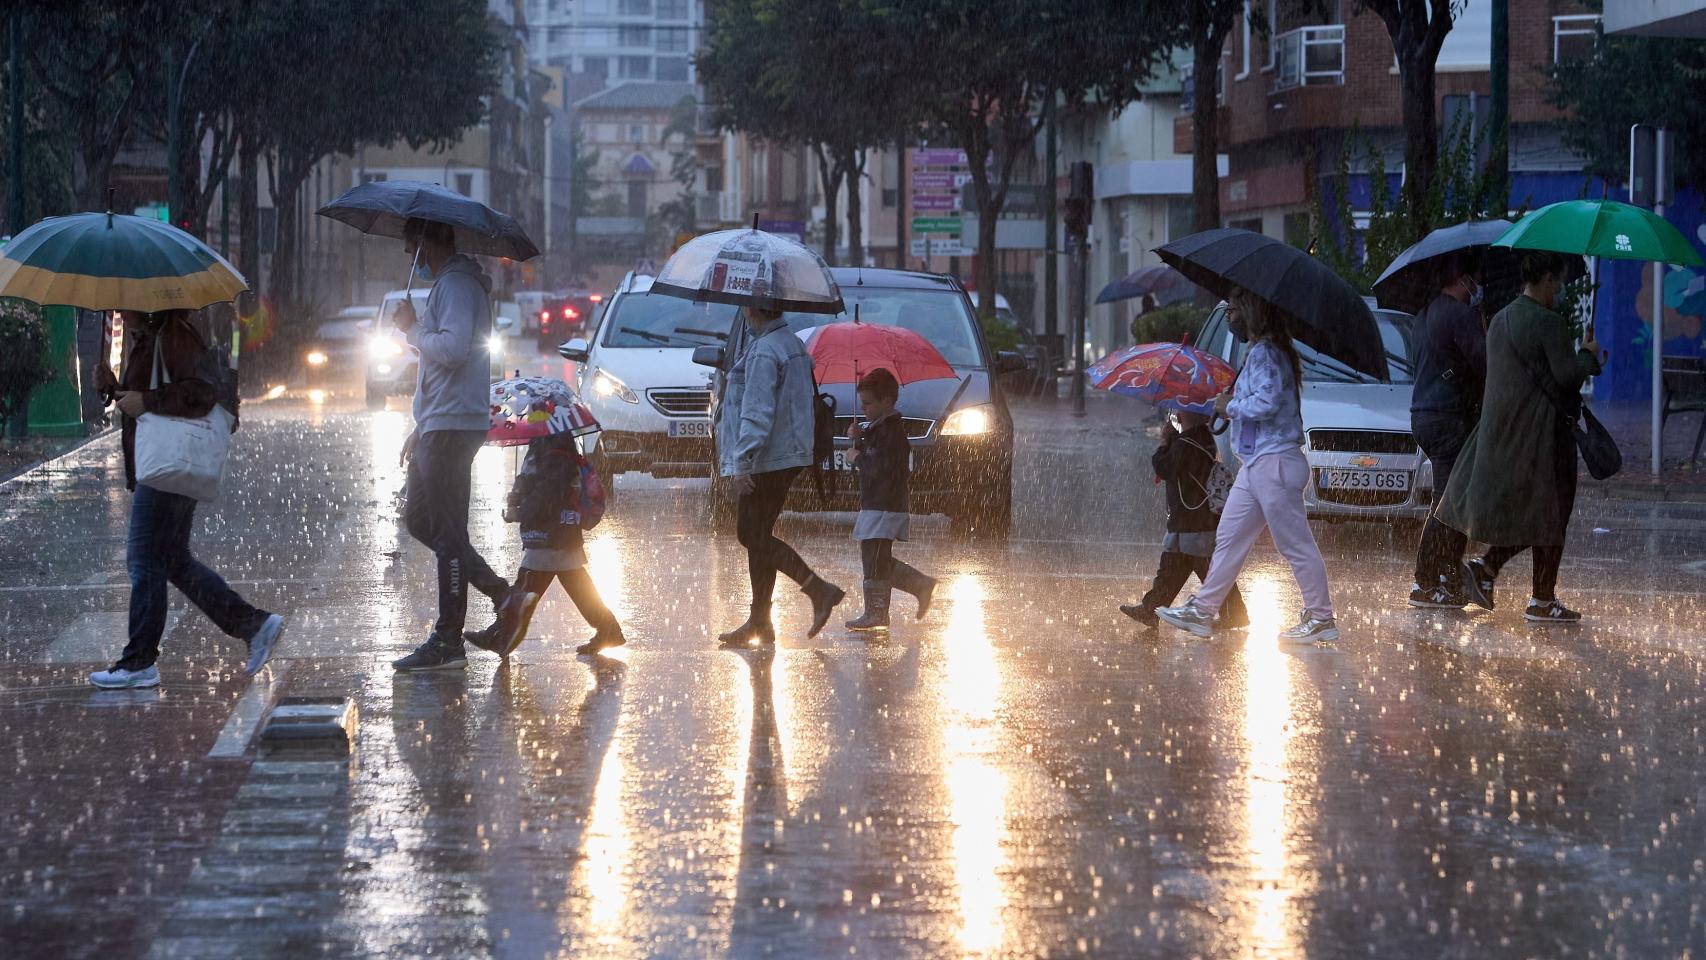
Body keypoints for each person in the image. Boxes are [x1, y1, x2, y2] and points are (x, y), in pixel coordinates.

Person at [88, 310, 284, 689]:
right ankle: (253, 625)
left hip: (168, 465)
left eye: (125, 302)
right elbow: (141, 399)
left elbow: (201, 391)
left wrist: (147, 399)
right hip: (165, 464)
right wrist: (112, 388)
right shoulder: (148, 338)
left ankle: (139, 661)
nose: (119, 309)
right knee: (172, 560)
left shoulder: (173, 336)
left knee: (144, 560)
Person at [1157, 291, 1339, 643]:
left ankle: (1321, 617)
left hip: (1275, 464)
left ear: (1253, 312)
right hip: (1256, 465)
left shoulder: (1267, 353)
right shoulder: (1261, 352)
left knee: (1295, 545)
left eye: (1235, 311)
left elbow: (1267, 402)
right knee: (1228, 538)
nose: (1229, 318)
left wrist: (1231, 405)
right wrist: (1230, 400)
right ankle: (1203, 610)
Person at [1436, 251, 1603, 623]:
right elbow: (1566, 376)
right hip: (1544, 436)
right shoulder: (1548, 322)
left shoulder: (1500, 320)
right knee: (1553, 513)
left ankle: (1491, 570)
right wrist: (1589, 357)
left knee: (1538, 513)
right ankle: (1538, 598)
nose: (1560, 289)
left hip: (1502, 432)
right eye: (1558, 281)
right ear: (1545, 279)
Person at [390, 217, 511, 671]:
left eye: (412, 248)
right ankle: (500, 592)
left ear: (427, 242)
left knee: (446, 534)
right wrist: (421, 426)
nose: (411, 258)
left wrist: (412, 329)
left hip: (454, 426)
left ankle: (448, 639)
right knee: (422, 520)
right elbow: (439, 369)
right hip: (437, 424)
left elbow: (456, 350)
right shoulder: (448, 284)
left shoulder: (458, 286)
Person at [715, 305, 845, 646]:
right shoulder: (790, 344)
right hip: (785, 454)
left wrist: (741, 463)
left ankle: (818, 589)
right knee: (758, 536)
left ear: (751, 308)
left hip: (767, 458)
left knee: (751, 534)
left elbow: (757, 412)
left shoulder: (766, 350)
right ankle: (760, 621)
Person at [465, 432, 625, 657]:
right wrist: (518, 494)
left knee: (524, 589)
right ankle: (608, 629)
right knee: (575, 583)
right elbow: (535, 480)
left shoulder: (554, 444)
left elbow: (548, 492)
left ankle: (501, 635)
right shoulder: (544, 439)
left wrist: (521, 512)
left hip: (550, 531)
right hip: (557, 530)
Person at [1407, 252, 1488, 608]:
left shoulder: (1424, 316)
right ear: (1463, 279)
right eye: (1475, 280)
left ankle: (1445, 576)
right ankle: (1429, 580)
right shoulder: (1458, 314)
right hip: (1448, 417)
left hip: (1423, 414)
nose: (1477, 288)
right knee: (1449, 504)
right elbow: (1485, 364)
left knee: (1448, 500)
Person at [1120, 409, 1248, 630]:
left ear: (1188, 416)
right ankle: (1151, 609)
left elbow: (1165, 467)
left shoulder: (1187, 443)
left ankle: (1234, 613)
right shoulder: (1201, 438)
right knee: (1172, 568)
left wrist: (1164, 441)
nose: (1176, 414)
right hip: (1190, 520)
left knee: (1210, 570)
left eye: (1181, 411)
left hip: (1194, 522)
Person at [843, 368, 937, 631]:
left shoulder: (892, 433)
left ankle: (881, 610)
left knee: (875, 557)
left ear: (887, 402)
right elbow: (875, 459)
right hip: (878, 503)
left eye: (868, 404)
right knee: (873, 556)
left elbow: (880, 468)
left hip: (885, 504)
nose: (864, 409)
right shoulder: (880, 429)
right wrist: (860, 439)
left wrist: (857, 457)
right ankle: (900, 597)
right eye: (862, 404)